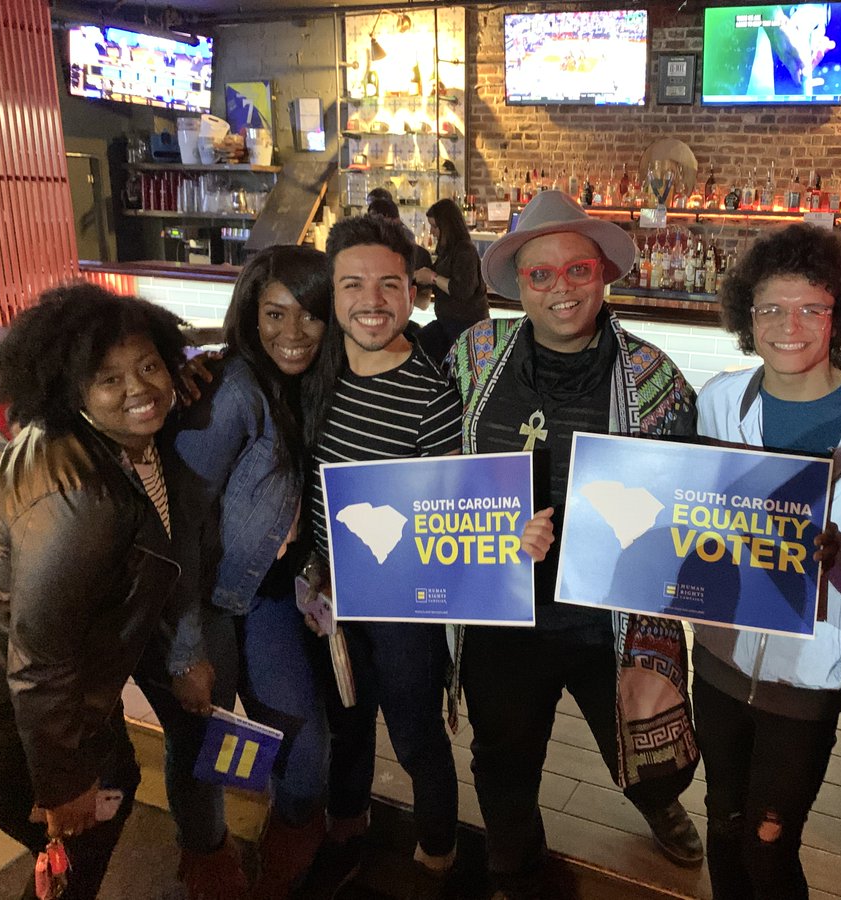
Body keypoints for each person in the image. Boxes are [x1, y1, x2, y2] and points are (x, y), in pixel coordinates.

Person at [445, 190, 703, 898]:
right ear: (519, 287)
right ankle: (516, 867)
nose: (562, 288)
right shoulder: (473, 355)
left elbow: (690, 496)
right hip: (504, 610)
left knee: (643, 743)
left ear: (604, 275)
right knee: (503, 754)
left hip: (607, 615)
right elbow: (436, 468)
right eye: (541, 275)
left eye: (578, 270)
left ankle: (659, 803)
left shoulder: (653, 377)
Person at [692, 224, 841, 900]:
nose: (788, 325)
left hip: (812, 676)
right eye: (770, 308)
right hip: (719, 660)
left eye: (810, 308)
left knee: (769, 843)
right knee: (721, 822)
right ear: (745, 316)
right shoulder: (717, 402)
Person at [0, 284, 195, 899]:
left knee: (112, 782)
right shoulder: (79, 497)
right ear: (71, 388)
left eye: (149, 365)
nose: (138, 387)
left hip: (24, 679)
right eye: (108, 378)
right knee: (71, 830)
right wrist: (62, 787)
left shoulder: (108, 444)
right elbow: (37, 662)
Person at [147, 246, 334, 900]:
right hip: (210, 604)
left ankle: (281, 860)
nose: (293, 332)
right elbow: (174, 529)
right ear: (250, 315)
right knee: (202, 747)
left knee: (304, 753)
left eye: (311, 314)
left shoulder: (308, 383)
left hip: (273, 596)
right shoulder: (229, 392)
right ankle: (209, 864)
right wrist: (186, 646)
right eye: (275, 314)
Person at [299, 214, 463, 899]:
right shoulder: (310, 375)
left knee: (416, 727)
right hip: (324, 598)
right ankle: (345, 832)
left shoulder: (431, 393)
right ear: (331, 294)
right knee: (345, 726)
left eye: (390, 284)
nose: (372, 299)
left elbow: (450, 516)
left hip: (401, 605)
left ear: (412, 290)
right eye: (354, 284)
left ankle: (440, 849)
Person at [413, 197, 490, 364]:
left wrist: (432, 277)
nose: (432, 232)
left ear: (447, 226)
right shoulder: (447, 251)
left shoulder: (465, 251)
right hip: (448, 324)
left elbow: (462, 291)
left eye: (435, 226)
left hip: (466, 327)